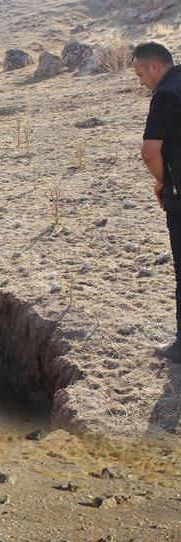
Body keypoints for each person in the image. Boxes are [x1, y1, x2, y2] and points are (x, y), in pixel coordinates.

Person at [134, 41, 181, 362]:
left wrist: (163, 182)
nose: (139, 80)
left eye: (139, 72)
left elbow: (150, 151)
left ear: (155, 66)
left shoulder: (165, 95)